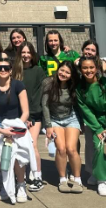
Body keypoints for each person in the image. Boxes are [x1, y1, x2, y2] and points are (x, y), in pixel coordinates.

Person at [76, 56, 106, 198]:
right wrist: (98, 128)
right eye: (85, 68)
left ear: (97, 68)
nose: (88, 70)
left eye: (91, 67)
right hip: (96, 123)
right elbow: (86, 110)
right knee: (99, 149)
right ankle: (102, 180)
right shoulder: (80, 89)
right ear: (80, 69)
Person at [0, 58, 30, 203]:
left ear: (10, 70)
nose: (2, 70)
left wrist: (16, 128)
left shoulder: (18, 85)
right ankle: (5, 185)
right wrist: (2, 131)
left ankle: (21, 185)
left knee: (18, 158)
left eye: (5, 68)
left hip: (17, 123)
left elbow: (26, 111)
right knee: (4, 157)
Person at [41, 61, 83, 193]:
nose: (63, 74)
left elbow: (77, 105)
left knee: (71, 149)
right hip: (54, 119)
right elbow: (45, 105)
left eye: (67, 72)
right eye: (62, 70)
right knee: (61, 148)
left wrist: (81, 123)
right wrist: (48, 126)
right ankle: (62, 179)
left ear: (71, 75)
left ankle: (77, 179)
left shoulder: (74, 86)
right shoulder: (48, 82)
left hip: (71, 118)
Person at [12, 42, 46, 191]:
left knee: (32, 146)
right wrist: (21, 118)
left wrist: (30, 117)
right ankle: (21, 176)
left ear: (32, 54)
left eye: (28, 52)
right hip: (18, 117)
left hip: (34, 116)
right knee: (18, 147)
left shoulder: (38, 71)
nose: (26, 55)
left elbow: (37, 95)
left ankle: (37, 176)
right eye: (23, 52)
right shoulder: (15, 71)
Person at [74, 39, 105, 186]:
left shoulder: (101, 67)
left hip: (102, 112)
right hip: (85, 110)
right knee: (90, 143)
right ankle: (92, 171)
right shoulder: (77, 64)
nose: (89, 52)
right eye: (87, 49)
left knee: (105, 145)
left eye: (92, 50)